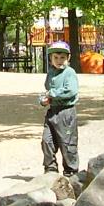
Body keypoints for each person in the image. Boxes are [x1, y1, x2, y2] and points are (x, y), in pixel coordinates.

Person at [39, 40, 79, 176]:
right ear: (50, 58)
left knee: (67, 144)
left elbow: (71, 91)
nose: (59, 60)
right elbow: (47, 89)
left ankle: (71, 172)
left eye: (62, 57)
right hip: (52, 111)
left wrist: (52, 94)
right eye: (55, 57)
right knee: (47, 141)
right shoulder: (51, 72)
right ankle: (50, 169)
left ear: (68, 58)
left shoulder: (69, 72)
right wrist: (44, 100)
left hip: (66, 112)